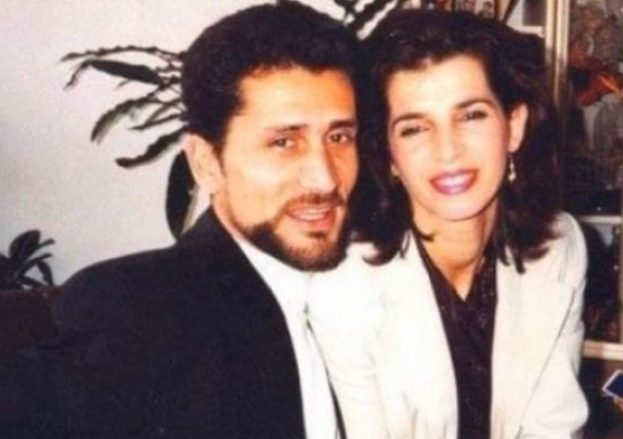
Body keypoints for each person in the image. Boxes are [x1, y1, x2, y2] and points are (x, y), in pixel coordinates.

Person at [0, 2, 360, 437]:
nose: (325, 177)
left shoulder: (373, 280)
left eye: (339, 136)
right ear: (206, 164)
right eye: (284, 142)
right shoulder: (140, 311)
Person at [310, 8, 588, 438]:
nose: (448, 151)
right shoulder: (344, 283)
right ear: (389, 156)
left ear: (514, 127)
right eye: (414, 128)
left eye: (471, 115)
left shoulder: (559, 245)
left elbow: (554, 425)